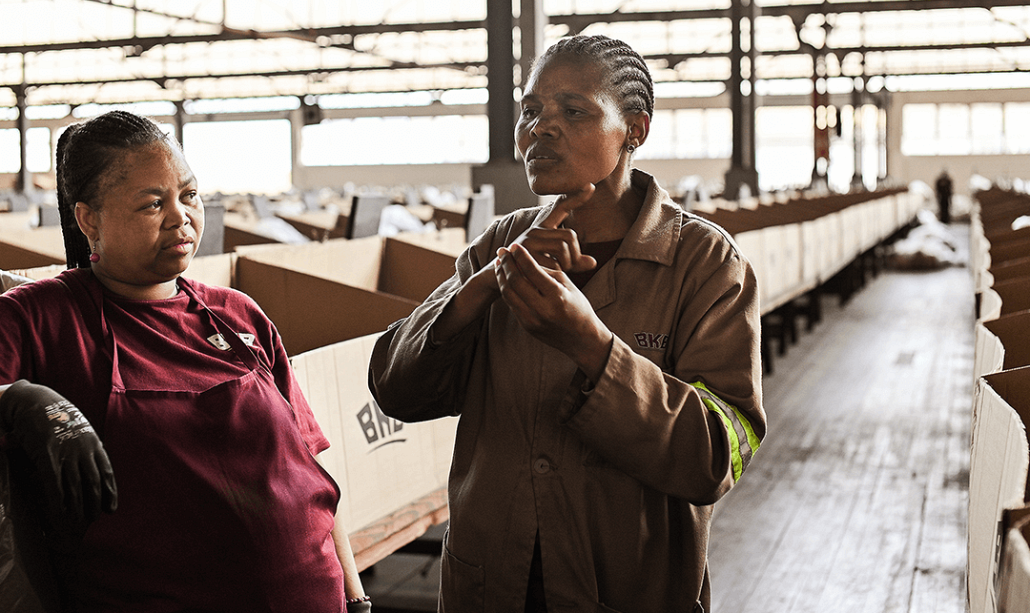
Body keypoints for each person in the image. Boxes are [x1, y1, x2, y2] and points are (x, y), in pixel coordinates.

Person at [369, 34, 766, 612]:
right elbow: (395, 388)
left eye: (573, 111)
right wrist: (481, 287)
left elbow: (716, 454)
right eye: (530, 110)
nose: (541, 128)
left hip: (627, 587)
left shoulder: (703, 263)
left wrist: (594, 348)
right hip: (493, 583)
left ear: (635, 129)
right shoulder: (498, 248)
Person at [0, 111, 369, 613]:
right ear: (89, 219)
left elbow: (309, 462)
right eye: (153, 204)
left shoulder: (238, 313)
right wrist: (25, 400)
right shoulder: (38, 317)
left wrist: (355, 593)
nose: (181, 218)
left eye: (189, 196)